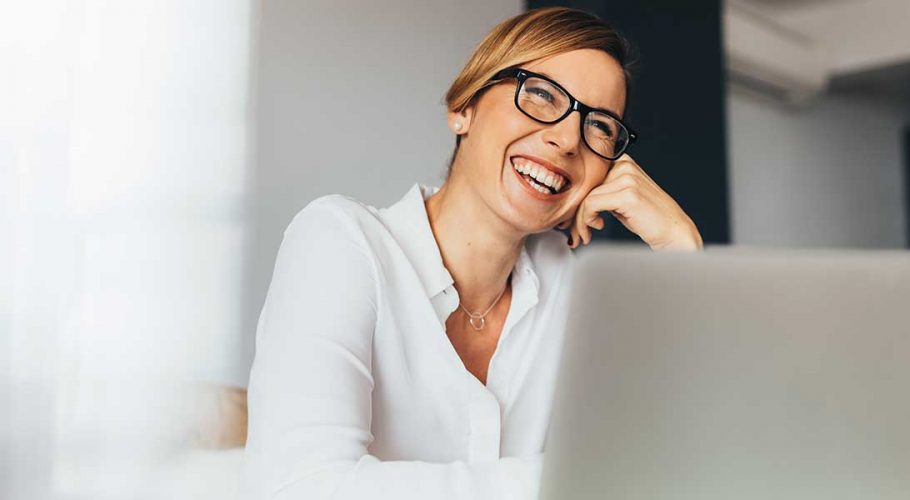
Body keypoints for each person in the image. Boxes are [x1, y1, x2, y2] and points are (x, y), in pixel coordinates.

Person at [240, 6, 703, 500]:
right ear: (463, 108)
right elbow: (303, 487)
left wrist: (680, 248)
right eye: (542, 95)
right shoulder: (341, 241)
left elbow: (679, 455)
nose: (568, 139)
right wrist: (577, 480)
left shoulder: (574, 292)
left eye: (601, 127)